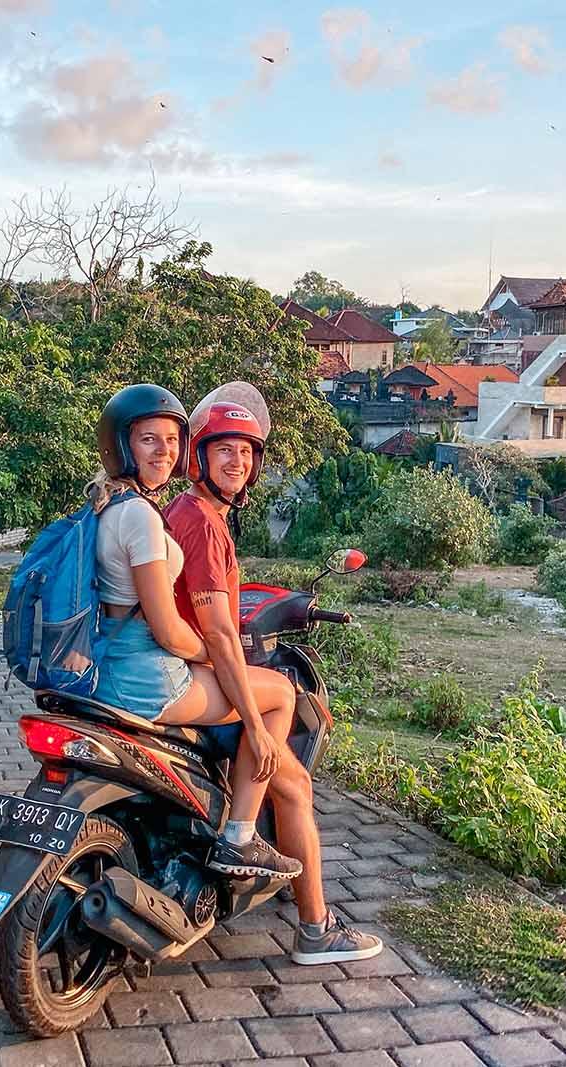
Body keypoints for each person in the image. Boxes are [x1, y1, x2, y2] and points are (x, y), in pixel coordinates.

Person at [164, 390, 384, 965]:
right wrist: (256, 723)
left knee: (292, 786)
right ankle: (302, 913)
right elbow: (216, 632)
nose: (236, 461)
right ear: (199, 458)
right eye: (223, 451)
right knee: (284, 715)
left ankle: (305, 914)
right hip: (197, 678)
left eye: (245, 452)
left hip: (180, 667)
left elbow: (199, 607)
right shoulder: (202, 522)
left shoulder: (187, 515)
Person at [87, 384, 303, 882]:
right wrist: (217, 658)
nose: (163, 451)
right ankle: (239, 838)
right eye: (148, 441)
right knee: (277, 695)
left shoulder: (108, 505)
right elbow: (167, 631)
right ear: (123, 447)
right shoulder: (141, 516)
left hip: (106, 660)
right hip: (143, 673)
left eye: (170, 440)